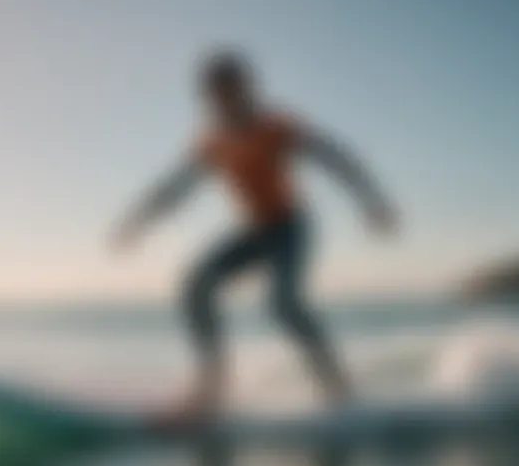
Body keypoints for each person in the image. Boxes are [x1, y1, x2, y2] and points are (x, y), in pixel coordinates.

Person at [111, 50, 398, 423]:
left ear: (246, 88)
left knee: (282, 303)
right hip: (253, 231)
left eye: (232, 89)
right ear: (209, 96)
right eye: (216, 93)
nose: (225, 99)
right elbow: (176, 186)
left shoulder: (275, 126)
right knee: (196, 285)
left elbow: (336, 157)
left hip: (290, 227)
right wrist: (139, 219)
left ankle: (337, 387)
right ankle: (212, 386)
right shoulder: (212, 141)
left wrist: (372, 201)